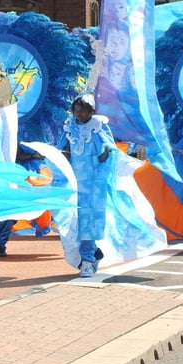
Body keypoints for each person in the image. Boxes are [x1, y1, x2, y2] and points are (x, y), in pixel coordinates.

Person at [58, 94, 113, 278]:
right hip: (74, 183)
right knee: (73, 223)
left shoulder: (98, 127)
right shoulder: (69, 126)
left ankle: (88, 261)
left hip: (93, 184)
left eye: (83, 110)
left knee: (87, 222)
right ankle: (93, 253)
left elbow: (107, 151)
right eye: (76, 110)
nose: (79, 114)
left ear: (92, 111)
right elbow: (62, 149)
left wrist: (106, 153)